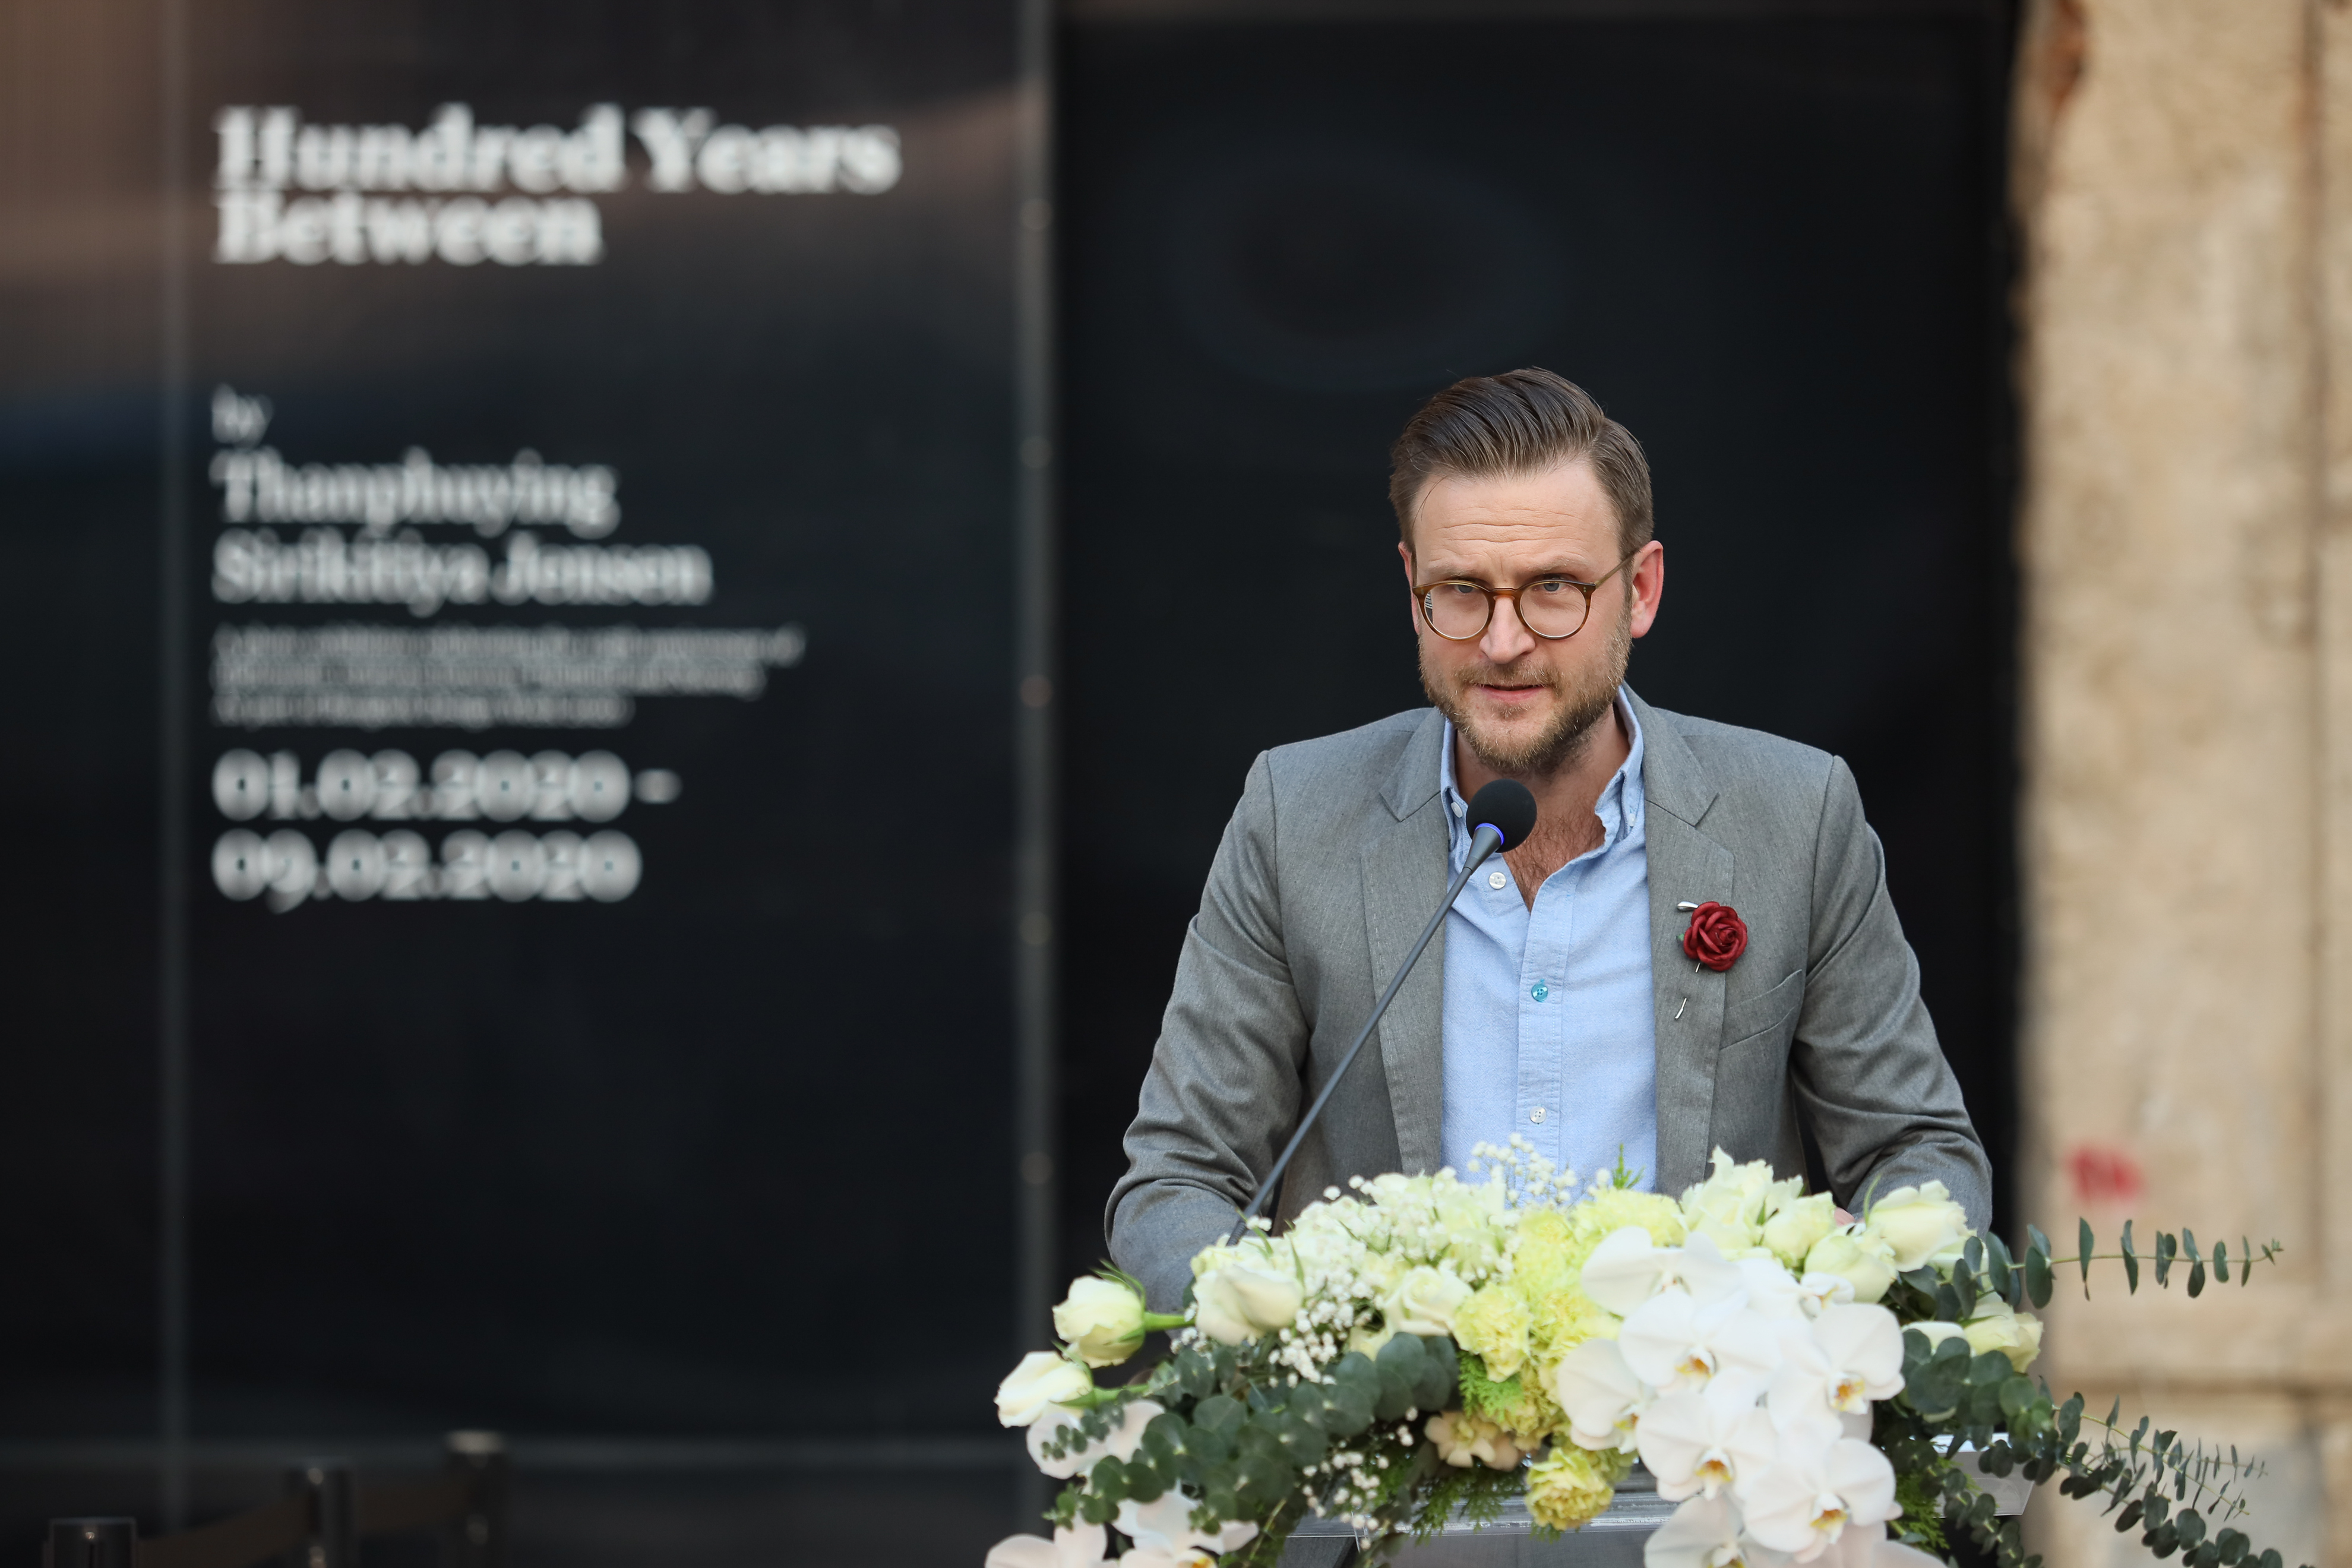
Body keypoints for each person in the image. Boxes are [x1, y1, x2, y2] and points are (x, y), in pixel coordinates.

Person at [1106, 368, 1990, 1312]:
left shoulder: (1796, 815)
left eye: (1553, 589)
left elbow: (1917, 1152)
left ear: (1640, 590)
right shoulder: (1295, 817)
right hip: (1394, 1401)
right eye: (1461, 591)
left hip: (1700, 1396)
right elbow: (1178, 1180)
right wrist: (1288, 1337)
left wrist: (1848, 1291)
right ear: (1412, 589)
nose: (1503, 641)